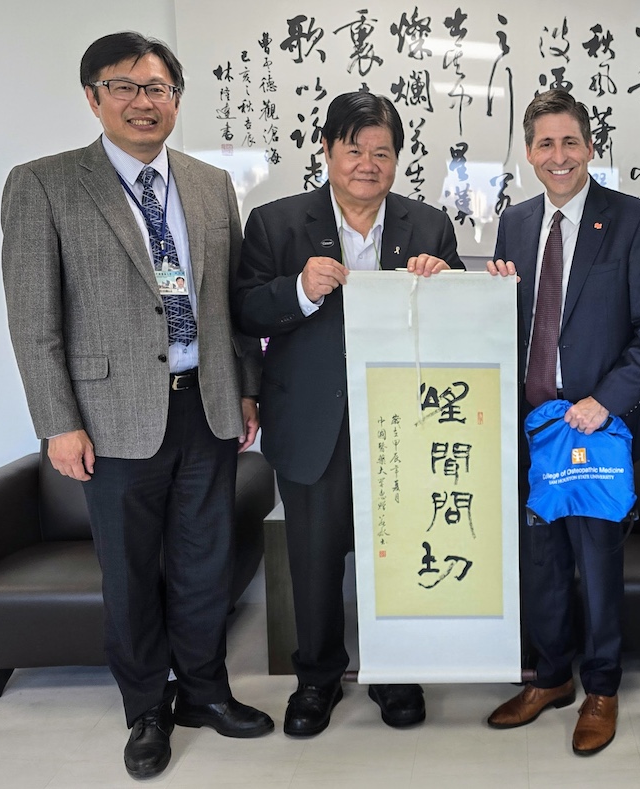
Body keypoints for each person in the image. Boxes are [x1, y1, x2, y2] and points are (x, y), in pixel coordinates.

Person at [0, 32, 273, 781]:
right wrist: (57, 419)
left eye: (157, 89)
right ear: (93, 97)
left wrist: (245, 383)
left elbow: (232, 303)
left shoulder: (211, 184)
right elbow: (34, 319)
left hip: (207, 404)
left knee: (204, 563)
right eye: (124, 87)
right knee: (129, 570)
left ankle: (207, 691)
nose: (143, 102)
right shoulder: (46, 183)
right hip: (112, 417)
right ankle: (147, 707)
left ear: (176, 100)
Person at [233, 91, 464, 737]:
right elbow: (246, 311)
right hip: (312, 423)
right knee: (313, 556)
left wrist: (439, 281)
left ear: (397, 160)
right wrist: (298, 290)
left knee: (396, 553)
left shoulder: (428, 224)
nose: (367, 162)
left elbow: (451, 327)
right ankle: (317, 677)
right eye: (354, 148)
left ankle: (394, 672)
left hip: (403, 424)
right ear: (329, 150)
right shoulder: (276, 223)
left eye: (381, 152)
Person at [485, 89, 640, 755]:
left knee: (597, 564)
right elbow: (512, 320)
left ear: (590, 147)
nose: (557, 156)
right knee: (541, 561)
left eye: (569, 142)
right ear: (529, 152)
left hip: (597, 431)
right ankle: (550, 675)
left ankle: (601, 686)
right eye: (544, 143)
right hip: (536, 431)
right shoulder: (513, 223)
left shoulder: (634, 221)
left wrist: (609, 399)